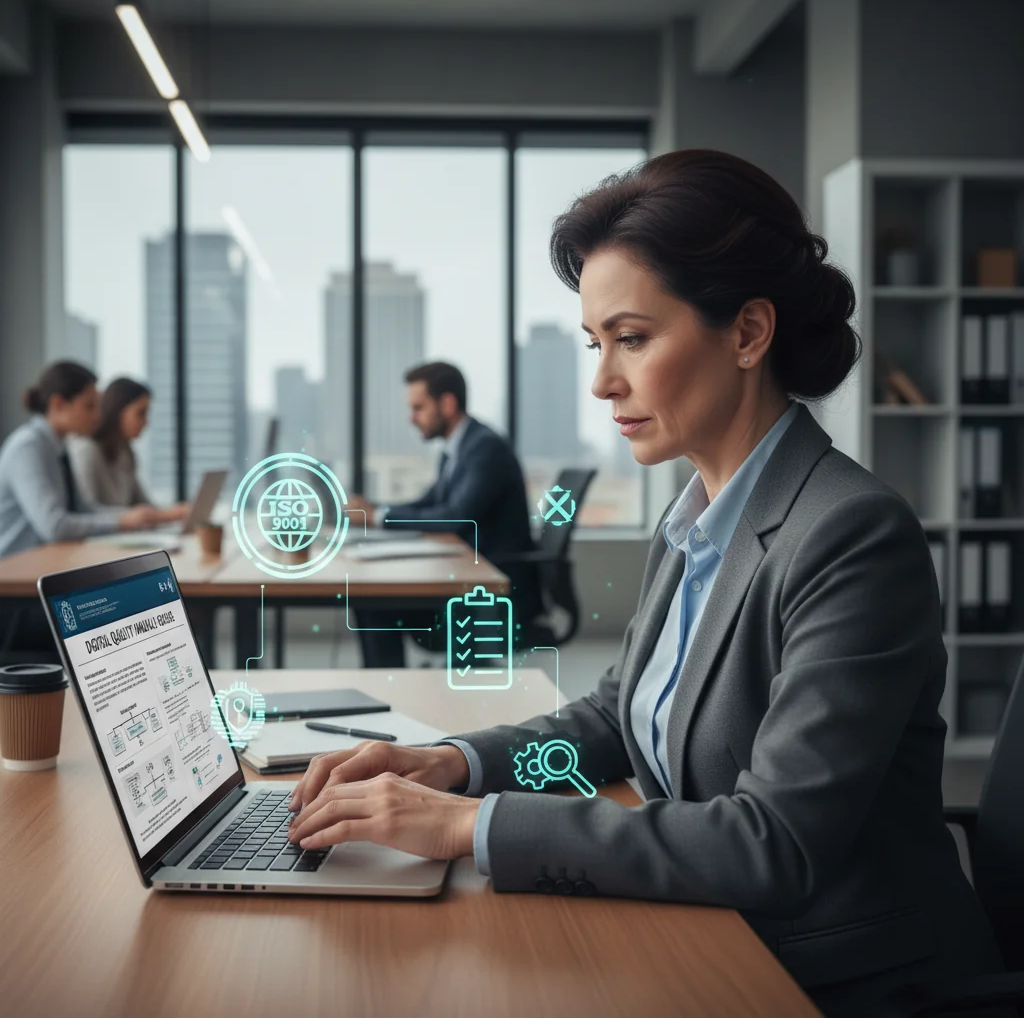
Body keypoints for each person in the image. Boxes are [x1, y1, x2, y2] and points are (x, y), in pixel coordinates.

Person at [284, 150, 1006, 1015]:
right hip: (716, 932)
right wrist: (451, 764)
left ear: (747, 333)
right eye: (597, 343)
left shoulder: (851, 535)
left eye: (632, 337)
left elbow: (770, 844)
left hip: (836, 976)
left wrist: (466, 828)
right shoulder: (699, 509)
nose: (601, 380)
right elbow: (615, 716)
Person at [348, 361, 541, 667]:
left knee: (375, 604)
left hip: (493, 596)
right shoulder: (458, 449)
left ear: (448, 403)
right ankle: (389, 693)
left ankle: (388, 695)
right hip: (466, 580)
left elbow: (456, 516)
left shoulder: (484, 448)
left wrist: (376, 517)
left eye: (419, 407)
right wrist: (374, 510)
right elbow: (428, 503)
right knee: (371, 602)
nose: (412, 418)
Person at [0, 362, 182, 653]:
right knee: (124, 615)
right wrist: (124, 521)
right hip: (15, 597)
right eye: (89, 406)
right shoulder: (28, 448)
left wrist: (130, 518)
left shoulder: (58, 447)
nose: (98, 415)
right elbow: (55, 526)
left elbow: (85, 509)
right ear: (59, 404)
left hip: (46, 580)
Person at [68, 376, 187, 515]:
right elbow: (86, 512)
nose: (146, 423)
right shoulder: (86, 450)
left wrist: (171, 513)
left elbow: (143, 504)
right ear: (118, 411)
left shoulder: (125, 451)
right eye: (140, 413)